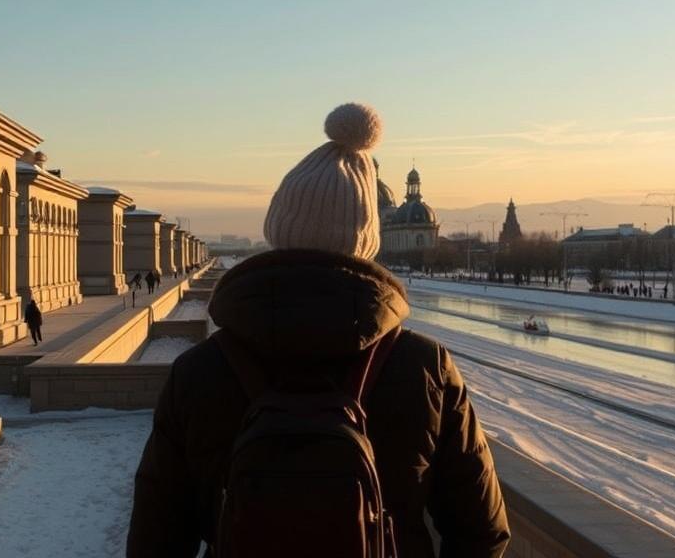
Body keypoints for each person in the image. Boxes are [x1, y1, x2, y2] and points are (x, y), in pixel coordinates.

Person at [128, 103, 509, 557]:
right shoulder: (424, 368)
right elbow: (482, 532)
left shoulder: (199, 371)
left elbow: (156, 539)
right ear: (368, 240)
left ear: (278, 231)